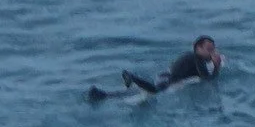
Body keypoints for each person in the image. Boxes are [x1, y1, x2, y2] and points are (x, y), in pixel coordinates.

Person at [88, 36, 222, 101]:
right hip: (170, 80)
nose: (212, 52)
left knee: (136, 92)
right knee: (154, 91)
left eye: (213, 49)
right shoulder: (197, 58)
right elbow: (206, 79)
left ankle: (104, 94)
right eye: (209, 49)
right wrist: (216, 67)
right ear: (198, 48)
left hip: (165, 75)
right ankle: (132, 78)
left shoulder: (189, 56)